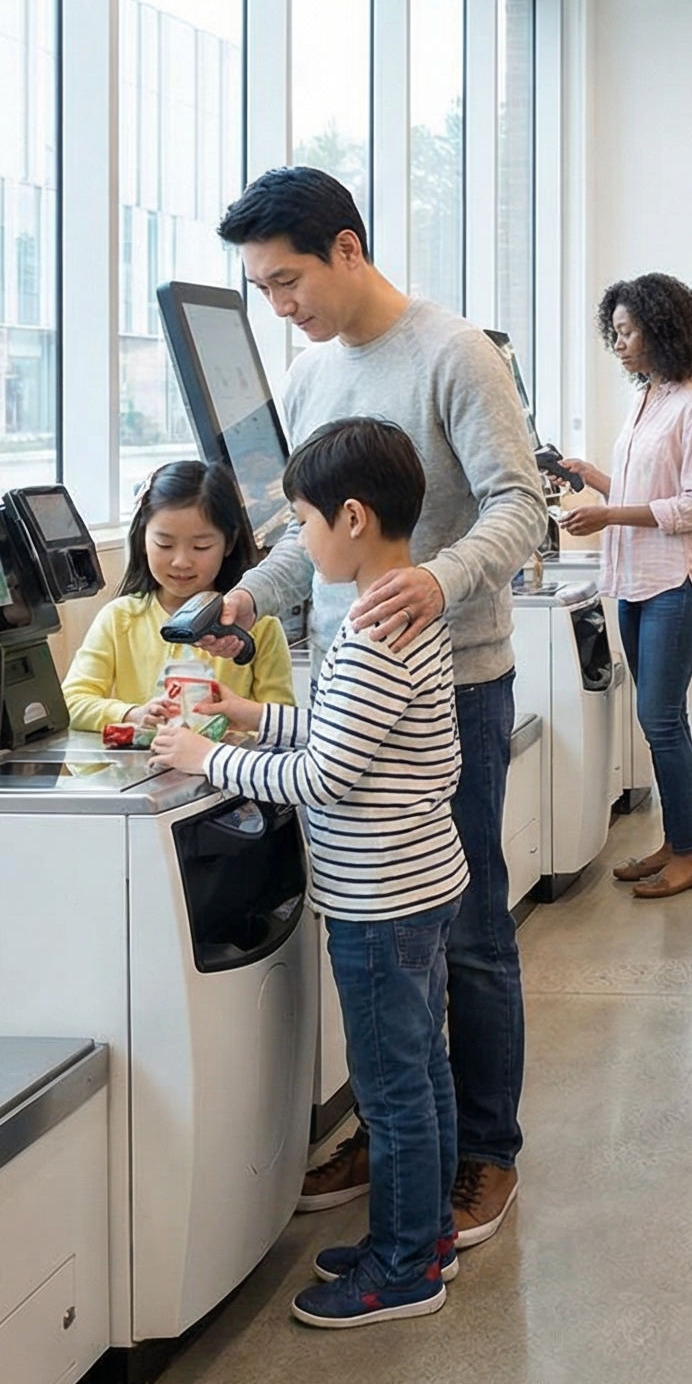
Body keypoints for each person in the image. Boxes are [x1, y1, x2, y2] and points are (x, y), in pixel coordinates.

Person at [210, 167, 541, 1244]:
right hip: (339, 689)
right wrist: (245, 600)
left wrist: (440, 579)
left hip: (457, 686)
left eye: (289, 279)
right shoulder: (307, 381)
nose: (281, 305)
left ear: (347, 248)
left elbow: (521, 505)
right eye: (262, 288)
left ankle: (483, 1149)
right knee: (383, 942)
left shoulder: (455, 355)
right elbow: (306, 544)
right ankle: (405, 1130)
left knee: (470, 927)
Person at [152, 419, 467, 1328]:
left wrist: (206, 757)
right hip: (422, 882)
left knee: (391, 1089)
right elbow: (344, 736)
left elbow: (328, 774)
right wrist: (251, 716)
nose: (299, 540)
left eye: (302, 522)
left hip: (380, 902)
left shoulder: (371, 634)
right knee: (423, 1073)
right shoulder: (405, 611)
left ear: (354, 518)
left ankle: (403, 1268)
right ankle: (425, 1235)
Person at [558, 273, 692, 900]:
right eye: (616, 332)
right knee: (655, 716)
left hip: (676, 581)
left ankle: (690, 855)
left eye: (628, 331)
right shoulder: (646, 398)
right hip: (632, 577)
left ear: (662, 330)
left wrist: (608, 516)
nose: (620, 343)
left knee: (661, 717)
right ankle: (675, 841)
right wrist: (596, 478)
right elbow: (642, 491)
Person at [61, 460, 294, 734]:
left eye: (200, 546)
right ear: (143, 539)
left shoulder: (258, 625)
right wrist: (132, 714)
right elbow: (70, 702)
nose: (181, 561)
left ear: (228, 543)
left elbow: (281, 720)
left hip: (225, 772)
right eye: (165, 544)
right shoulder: (120, 618)